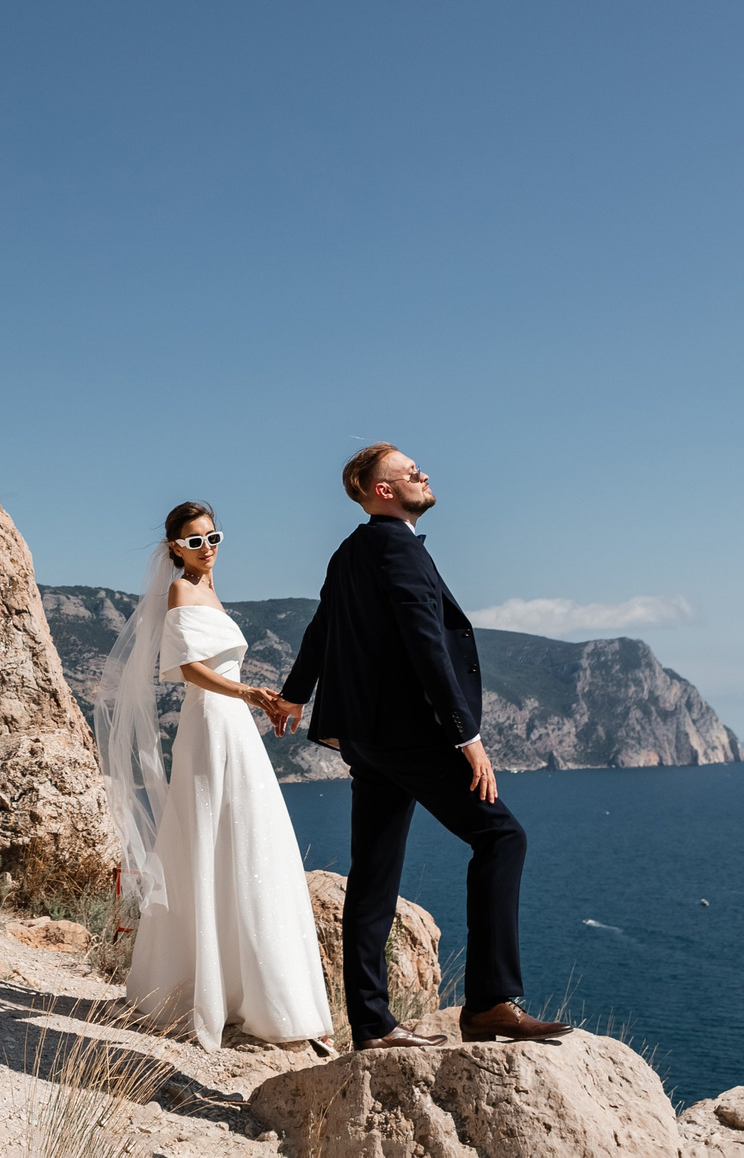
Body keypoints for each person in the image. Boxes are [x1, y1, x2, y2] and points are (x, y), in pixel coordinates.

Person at [276, 444, 573, 1051]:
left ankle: (372, 1024)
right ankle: (490, 1003)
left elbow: (322, 626)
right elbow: (424, 640)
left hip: (365, 736)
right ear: (381, 489)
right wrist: (467, 736)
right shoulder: (399, 546)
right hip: (412, 733)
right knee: (501, 836)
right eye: (411, 472)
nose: (424, 475)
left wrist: (294, 696)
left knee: (374, 872)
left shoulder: (350, 550)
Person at [93, 501, 333, 1050]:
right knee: (211, 835)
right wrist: (248, 693)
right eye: (195, 540)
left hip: (234, 724)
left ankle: (245, 988)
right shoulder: (182, 591)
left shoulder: (213, 592)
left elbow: (222, 665)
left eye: (213, 536)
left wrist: (262, 701)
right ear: (175, 548)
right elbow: (187, 670)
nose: (207, 547)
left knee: (248, 836)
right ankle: (204, 988)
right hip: (210, 722)